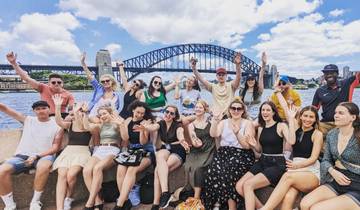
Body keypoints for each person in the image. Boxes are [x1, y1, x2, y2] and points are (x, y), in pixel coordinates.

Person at [260, 102, 323, 210]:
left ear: (315, 119)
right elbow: (287, 111)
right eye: (305, 116)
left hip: (310, 171)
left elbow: (313, 158)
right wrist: (278, 92)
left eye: (311, 117)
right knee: (288, 197)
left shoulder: (317, 134)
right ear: (301, 116)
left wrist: (297, 166)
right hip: (295, 170)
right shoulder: (296, 128)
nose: (307, 119)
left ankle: (265, 209)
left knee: (287, 176)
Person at [0, 101, 62, 210]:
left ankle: (35, 201)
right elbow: (5, 108)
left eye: (43, 108)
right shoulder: (28, 120)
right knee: (2, 171)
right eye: (37, 109)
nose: (41, 111)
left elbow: (55, 147)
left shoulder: (57, 125)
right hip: (22, 156)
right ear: (34, 111)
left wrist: (36, 156)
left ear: (49, 109)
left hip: (44, 156)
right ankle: (9, 204)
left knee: (44, 167)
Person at [236, 101, 295, 210]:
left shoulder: (281, 125)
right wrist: (253, 145)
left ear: (273, 112)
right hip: (262, 161)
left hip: (276, 164)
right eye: (263, 110)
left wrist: (291, 120)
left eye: (268, 110)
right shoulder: (261, 128)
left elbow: (291, 141)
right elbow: (259, 150)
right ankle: (262, 208)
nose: (265, 112)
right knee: (239, 186)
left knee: (248, 185)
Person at [300, 102, 360, 210]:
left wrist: (350, 166)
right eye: (335, 112)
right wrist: (333, 171)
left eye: (341, 113)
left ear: (353, 117)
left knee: (317, 208)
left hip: (357, 184)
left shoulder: (358, 136)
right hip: (336, 179)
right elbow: (326, 160)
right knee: (304, 204)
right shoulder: (332, 134)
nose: (336, 115)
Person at [203, 98, 255, 210]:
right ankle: (218, 201)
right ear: (229, 110)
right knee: (212, 171)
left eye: (239, 108)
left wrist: (237, 133)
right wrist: (215, 120)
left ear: (243, 111)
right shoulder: (223, 122)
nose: (236, 110)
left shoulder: (248, 124)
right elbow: (214, 134)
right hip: (224, 153)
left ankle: (232, 206)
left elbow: (247, 146)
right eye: (233, 108)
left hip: (242, 154)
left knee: (228, 171)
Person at [136, 105, 190, 209]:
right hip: (165, 148)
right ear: (164, 112)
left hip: (177, 148)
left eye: (171, 113)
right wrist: (145, 127)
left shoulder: (177, 125)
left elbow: (180, 133)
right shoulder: (160, 123)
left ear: (175, 116)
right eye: (167, 112)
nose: (168, 114)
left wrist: (183, 140)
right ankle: (165, 192)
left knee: (158, 170)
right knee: (160, 156)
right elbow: (153, 127)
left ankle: (156, 204)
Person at [52, 95, 97, 210]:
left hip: (82, 152)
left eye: (81, 110)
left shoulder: (89, 124)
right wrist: (57, 107)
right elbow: (58, 121)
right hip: (68, 152)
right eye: (77, 110)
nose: (78, 112)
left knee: (71, 175)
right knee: (62, 175)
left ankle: (69, 197)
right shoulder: (70, 125)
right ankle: (59, 207)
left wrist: (83, 113)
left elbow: (85, 127)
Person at [113, 101, 155, 210]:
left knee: (131, 169)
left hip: (145, 152)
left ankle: (119, 204)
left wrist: (142, 130)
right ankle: (126, 200)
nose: (140, 115)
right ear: (133, 110)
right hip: (131, 151)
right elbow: (126, 138)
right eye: (138, 112)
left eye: (142, 113)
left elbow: (143, 143)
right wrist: (121, 125)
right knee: (120, 168)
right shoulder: (127, 121)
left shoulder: (146, 122)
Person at [6, 52, 74, 117]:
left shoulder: (68, 95)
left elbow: (71, 109)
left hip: (62, 116)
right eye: (53, 82)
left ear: (62, 83)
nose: (56, 84)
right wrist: (14, 63)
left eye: (59, 82)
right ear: (49, 83)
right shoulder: (43, 88)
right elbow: (26, 78)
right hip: (46, 117)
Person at [82, 106, 123, 210]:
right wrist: (86, 113)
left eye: (104, 113)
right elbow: (86, 127)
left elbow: (125, 137)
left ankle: (89, 203)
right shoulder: (100, 126)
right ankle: (98, 201)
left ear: (110, 113)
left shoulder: (117, 123)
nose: (102, 116)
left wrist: (121, 125)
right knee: (86, 170)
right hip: (101, 149)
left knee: (97, 168)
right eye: (100, 115)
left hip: (113, 149)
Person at [179, 100, 215, 204]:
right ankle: (194, 192)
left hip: (208, 149)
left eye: (200, 107)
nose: (198, 109)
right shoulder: (191, 125)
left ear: (204, 110)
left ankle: (197, 197)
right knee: (187, 166)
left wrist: (211, 112)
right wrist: (195, 142)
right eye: (196, 107)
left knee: (198, 168)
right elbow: (193, 136)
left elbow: (217, 120)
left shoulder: (210, 121)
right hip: (196, 150)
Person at [312, 64, 360, 137]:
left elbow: (358, 76)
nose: (329, 75)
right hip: (326, 124)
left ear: (337, 74)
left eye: (332, 72)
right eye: (326, 73)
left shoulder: (347, 83)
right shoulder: (320, 90)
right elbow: (313, 109)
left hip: (345, 123)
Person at [81, 52, 121, 121]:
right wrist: (83, 63)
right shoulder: (99, 88)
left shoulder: (116, 97)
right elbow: (90, 76)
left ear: (112, 81)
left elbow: (114, 110)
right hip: (93, 115)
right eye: (103, 81)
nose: (105, 82)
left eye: (107, 80)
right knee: (97, 122)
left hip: (106, 117)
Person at [239, 52, 265, 119]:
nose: (250, 81)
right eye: (249, 80)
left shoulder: (259, 90)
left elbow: (261, 77)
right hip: (246, 116)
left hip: (258, 116)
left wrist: (263, 64)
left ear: (255, 80)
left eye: (252, 79)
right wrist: (238, 64)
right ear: (246, 81)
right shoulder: (243, 91)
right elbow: (241, 103)